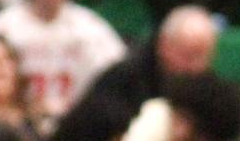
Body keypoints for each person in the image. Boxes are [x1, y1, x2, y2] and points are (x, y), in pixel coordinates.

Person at [80, 7, 218, 120]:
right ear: (164, 45)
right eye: (188, 56)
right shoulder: (124, 78)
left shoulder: (208, 90)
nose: (195, 66)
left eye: (203, 57)